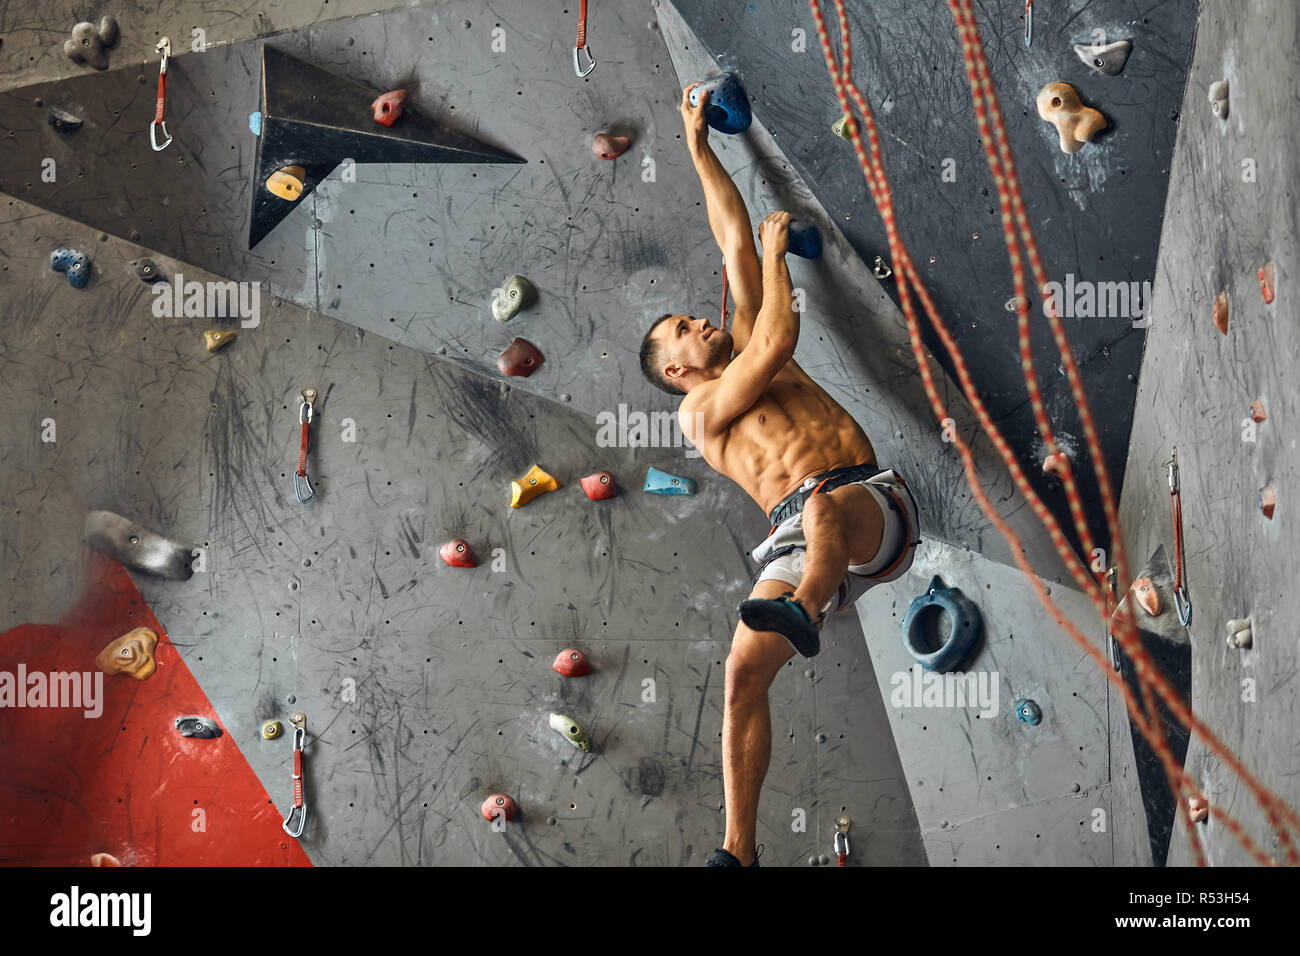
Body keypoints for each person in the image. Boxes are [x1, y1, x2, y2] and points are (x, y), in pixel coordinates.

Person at [637, 84, 923, 868]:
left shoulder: (734, 329)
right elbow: (772, 342)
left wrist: (699, 146)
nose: (699, 322)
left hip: (868, 503)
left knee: (827, 511)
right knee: (739, 677)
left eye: (693, 316)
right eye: (683, 333)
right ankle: (739, 852)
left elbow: (729, 237)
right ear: (675, 370)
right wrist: (771, 257)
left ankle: (802, 611)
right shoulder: (700, 413)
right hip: (794, 535)